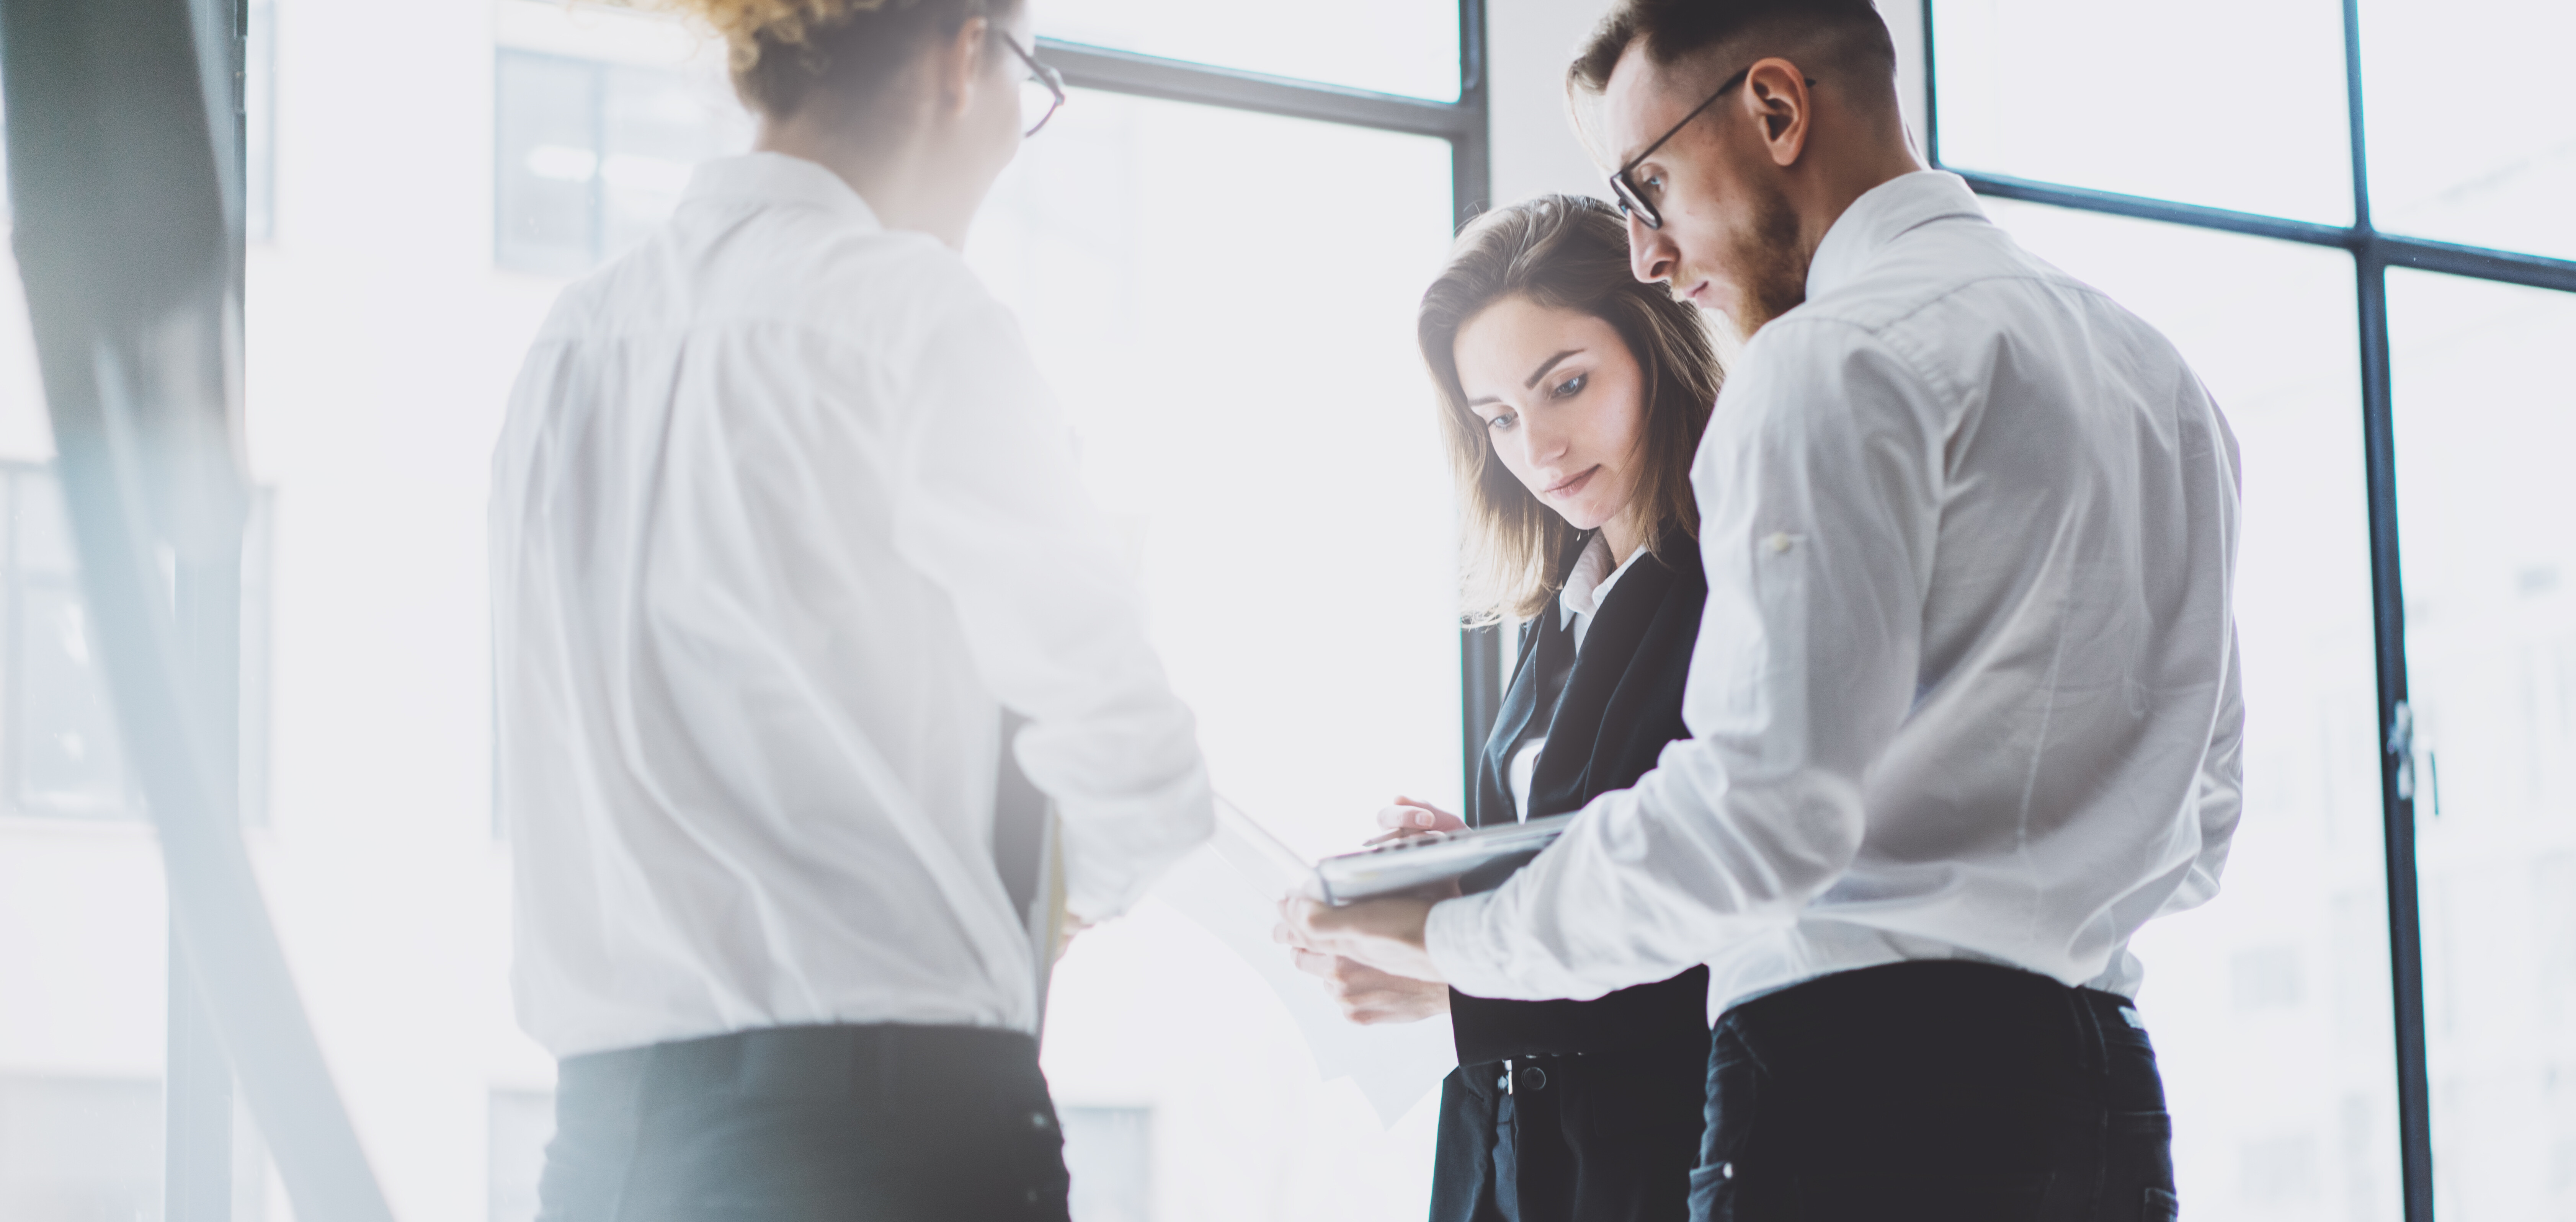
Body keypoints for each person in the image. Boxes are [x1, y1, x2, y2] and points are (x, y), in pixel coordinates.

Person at [1283, 2, 2241, 1219]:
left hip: (1855, 1095)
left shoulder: (1824, 361)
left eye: (1650, 186)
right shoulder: (2162, 379)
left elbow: (1757, 820)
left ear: (1776, 112)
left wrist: (1451, 938)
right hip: (2101, 1095)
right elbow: (2202, 821)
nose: (1651, 253)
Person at [487, 2, 1212, 1218]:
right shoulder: (913, 312)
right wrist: (1071, 888)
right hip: (882, 1138)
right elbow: (1135, 767)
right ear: (963, 55)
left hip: (607, 1151)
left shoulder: (568, 343)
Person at [1292, 194, 1725, 1222]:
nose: (1535, 449)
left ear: (1655, 351)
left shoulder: (1729, 595)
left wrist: (1455, 986)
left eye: (1564, 386)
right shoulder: (1558, 615)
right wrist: (1466, 863)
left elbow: (1719, 917)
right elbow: (1581, 854)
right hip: (1514, 1167)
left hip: (1653, 1165)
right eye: (1496, 417)